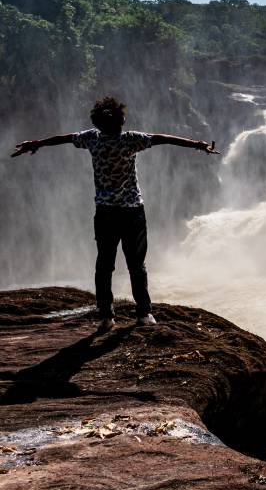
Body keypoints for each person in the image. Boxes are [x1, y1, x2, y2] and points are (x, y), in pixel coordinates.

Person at [11, 96, 219, 331]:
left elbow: (64, 138)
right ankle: (143, 314)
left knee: (104, 264)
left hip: (105, 212)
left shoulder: (91, 138)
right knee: (136, 265)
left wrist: (36, 143)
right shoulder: (131, 140)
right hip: (132, 212)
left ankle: (106, 317)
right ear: (121, 121)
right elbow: (163, 139)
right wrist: (198, 144)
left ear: (98, 123)